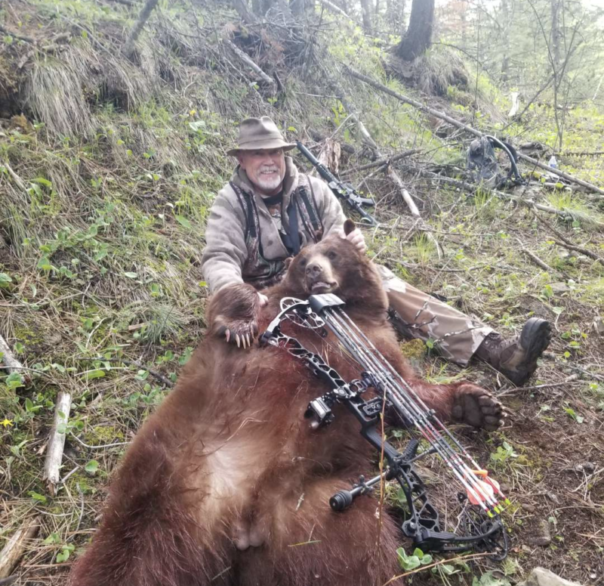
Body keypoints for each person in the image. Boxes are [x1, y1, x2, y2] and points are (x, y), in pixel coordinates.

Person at [201, 117, 551, 386]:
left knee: (383, 281)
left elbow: (339, 235)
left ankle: (496, 350)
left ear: (283, 155)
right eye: (258, 153)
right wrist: (240, 297)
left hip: (327, 286)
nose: (268, 161)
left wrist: (353, 247)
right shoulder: (231, 203)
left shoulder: (314, 191)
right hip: (274, 300)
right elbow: (220, 258)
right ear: (242, 159)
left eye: (274, 152)